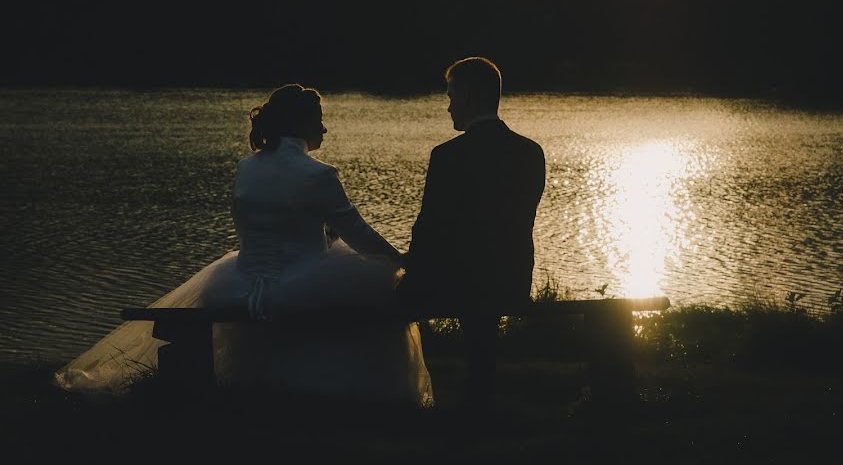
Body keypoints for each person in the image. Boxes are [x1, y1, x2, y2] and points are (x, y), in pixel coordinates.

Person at [56, 84, 433, 406]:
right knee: (380, 285)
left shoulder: (247, 168)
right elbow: (360, 235)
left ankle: (253, 385)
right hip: (299, 284)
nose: (326, 128)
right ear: (301, 123)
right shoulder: (319, 174)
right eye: (319, 119)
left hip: (240, 281)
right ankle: (359, 391)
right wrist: (400, 259)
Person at [397, 57, 545, 408]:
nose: (448, 106)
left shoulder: (448, 156)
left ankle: (395, 398)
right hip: (513, 279)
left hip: (463, 282)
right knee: (476, 298)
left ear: (466, 95)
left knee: (388, 299)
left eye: (450, 96)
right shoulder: (531, 152)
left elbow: (429, 228)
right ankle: (477, 400)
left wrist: (410, 273)